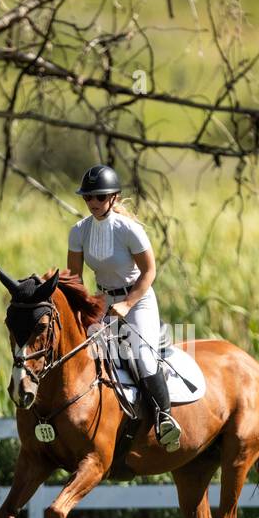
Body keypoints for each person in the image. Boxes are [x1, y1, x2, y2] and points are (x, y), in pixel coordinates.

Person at [66, 164, 182, 451]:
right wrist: (81, 310)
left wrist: (128, 303)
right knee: (85, 354)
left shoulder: (129, 230)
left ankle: (164, 418)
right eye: (88, 198)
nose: (93, 203)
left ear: (114, 198)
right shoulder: (78, 231)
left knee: (141, 354)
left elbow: (149, 272)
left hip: (138, 300)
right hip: (103, 300)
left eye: (99, 197)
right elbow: (74, 278)